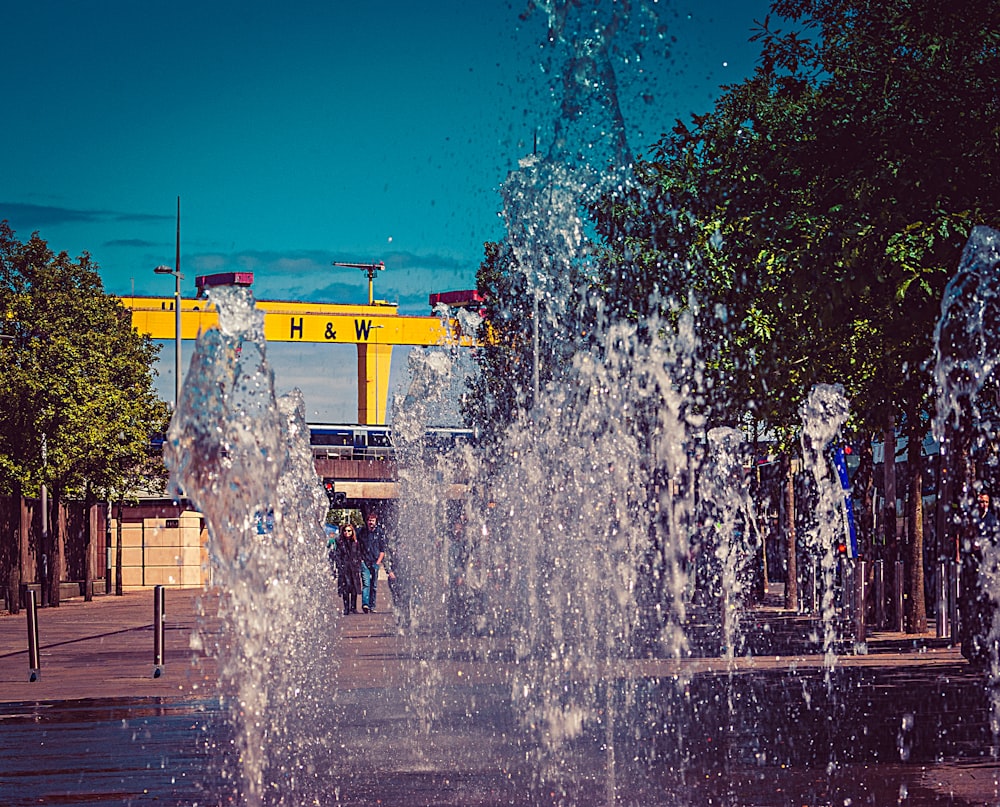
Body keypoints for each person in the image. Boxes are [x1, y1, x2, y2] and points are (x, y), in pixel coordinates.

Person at [960, 491, 999, 665]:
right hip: (972, 570)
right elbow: (961, 537)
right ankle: (972, 649)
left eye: (985, 502)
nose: (983, 505)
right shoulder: (971, 519)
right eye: (980, 502)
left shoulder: (992, 521)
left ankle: (986, 648)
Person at [358, 510, 387, 613]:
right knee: (366, 584)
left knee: (374, 585)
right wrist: (360, 560)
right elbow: (358, 546)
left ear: (376, 521)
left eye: (373, 520)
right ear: (367, 521)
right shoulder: (362, 532)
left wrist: (378, 562)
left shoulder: (379, 533)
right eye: (370, 520)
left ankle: (372, 605)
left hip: (375, 562)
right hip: (365, 561)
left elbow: (382, 549)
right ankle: (365, 604)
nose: (371, 522)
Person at [335, 523, 363, 616]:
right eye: (345, 531)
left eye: (349, 531)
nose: (347, 532)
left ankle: (353, 607)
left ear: (352, 532)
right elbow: (337, 555)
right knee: (345, 588)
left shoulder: (355, 542)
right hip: (344, 568)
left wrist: (358, 564)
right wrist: (340, 566)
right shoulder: (340, 542)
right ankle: (346, 608)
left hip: (353, 568)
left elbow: (358, 554)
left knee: (354, 588)